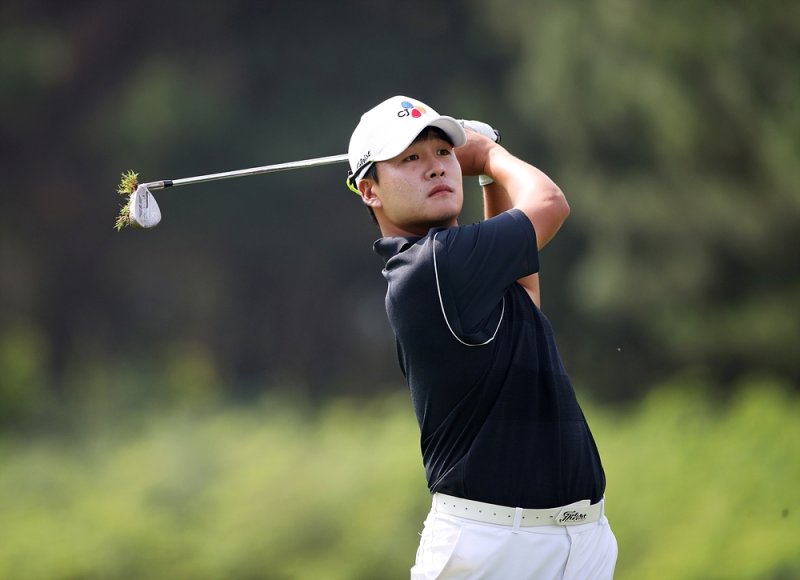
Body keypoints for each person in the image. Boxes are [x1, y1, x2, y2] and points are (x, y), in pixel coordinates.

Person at [346, 96, 618, 579]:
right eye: (411, 158)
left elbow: (524, 290)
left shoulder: (457, 269)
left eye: (443, 153)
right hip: (491, 548)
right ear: (370, 191)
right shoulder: (432, 264)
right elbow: (551, 204)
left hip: (581, 540)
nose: (436, 168)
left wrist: (490, 177)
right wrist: (490, 155)